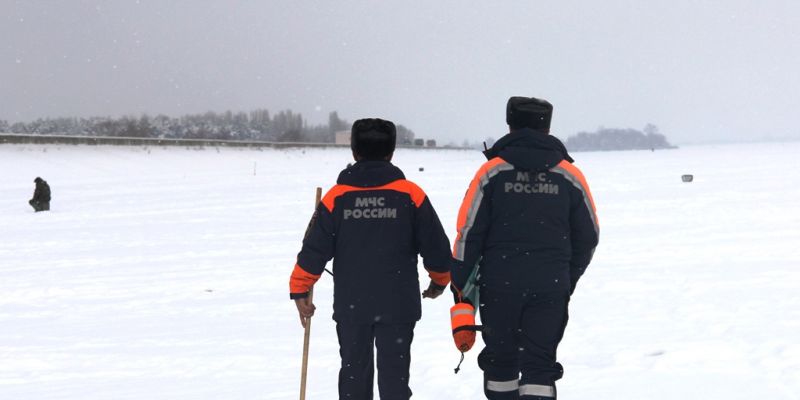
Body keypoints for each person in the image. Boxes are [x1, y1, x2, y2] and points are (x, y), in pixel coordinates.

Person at [289, 118, 452, 400]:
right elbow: (437, 249)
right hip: (398, 305)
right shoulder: (410, 194)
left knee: (354, 376)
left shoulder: (336, 197)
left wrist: (300, 288)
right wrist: (439, 281)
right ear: (391, 153)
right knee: (394, 379)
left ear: (354, 152)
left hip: (354, 306)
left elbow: (313, 249)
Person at [450, 97, 599, 399]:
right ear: (548, 126)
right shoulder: (569, 175)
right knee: (539, 365)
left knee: (501, 361)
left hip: (500, 285)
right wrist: (567, 276)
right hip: (550, 285)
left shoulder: (491, 172)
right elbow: (590, 235)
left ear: (510, 123)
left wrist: (461, 285)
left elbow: (468, 233)